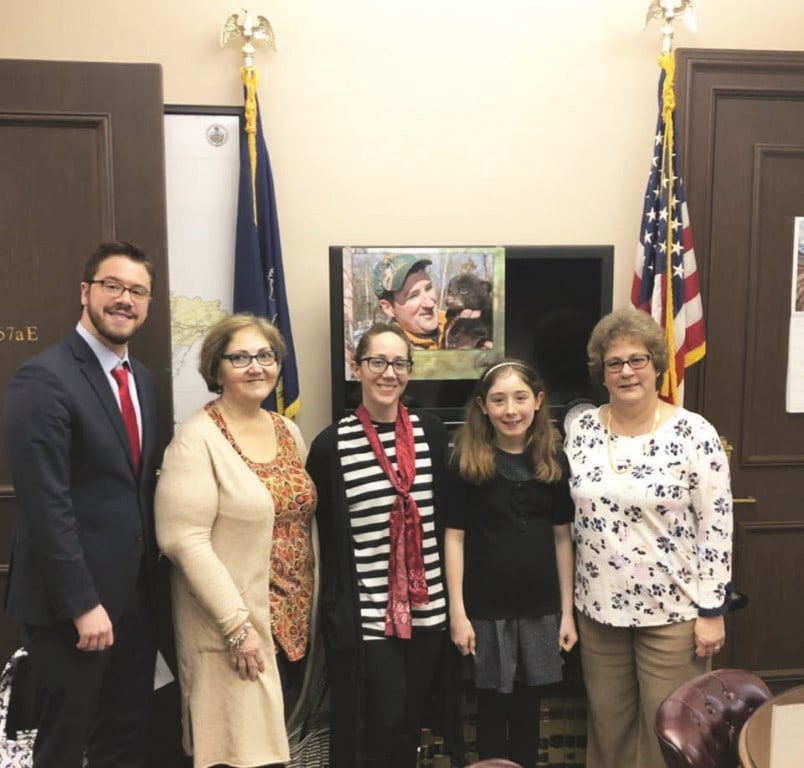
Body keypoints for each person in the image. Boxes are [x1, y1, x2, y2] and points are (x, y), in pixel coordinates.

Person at [3, 241, 160, 768]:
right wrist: (81, 605)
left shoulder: (142, 381)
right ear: (85, 291)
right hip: (71, 610)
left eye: (137, 291)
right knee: (64, 747)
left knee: (125, 740)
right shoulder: (43, 378)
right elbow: (46, 505)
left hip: (134, 602)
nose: (125, 299)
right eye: (112, 286)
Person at [564, 308, 733, 768]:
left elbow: (716, 525)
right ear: (602, 372)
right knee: (609, 730)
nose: (626, 372)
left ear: (656, 364)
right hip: (599, 610)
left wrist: (712, 610)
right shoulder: (582, 431)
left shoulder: (694, 432)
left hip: (673, 612)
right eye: (614, 363)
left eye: (637, 360)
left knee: (669, 735)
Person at [154, 313, 316, 768]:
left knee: (281, 748)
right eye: (239, 357)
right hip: (235, 629)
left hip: (292, 621)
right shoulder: (196, 440)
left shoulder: (287, 431)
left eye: (265, 355)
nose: (255, 367)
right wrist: (237, 626)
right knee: (240, 754)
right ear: (216, 368)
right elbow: (183, 540)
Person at [306, 322, 450, 768]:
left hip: (429, 612)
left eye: (400, 363)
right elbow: (325, 538)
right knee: (379, 726)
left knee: (410, 724)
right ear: (357, 367)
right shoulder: (332, 446)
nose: (389, 373)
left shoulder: (431, 432)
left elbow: (448, 521)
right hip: (370, 619)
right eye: (377, 362)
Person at [445, 359, 577, 768]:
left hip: (540, 611)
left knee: (527, 712)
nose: (511, 410)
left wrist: (567, 614)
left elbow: (562, 538)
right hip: (485, 613)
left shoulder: (553, 461)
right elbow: (454, 539)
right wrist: (458, 614)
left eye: (520, 398)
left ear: (537, 401)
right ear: (483, 406)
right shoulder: (466, 463)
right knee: (489, 711)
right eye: (499, 400)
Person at [373, 254, 447, 349]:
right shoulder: (393, 352)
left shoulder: (458, 325)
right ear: (388, 308)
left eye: (428, 288)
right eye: (413, 296)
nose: (429, 303)